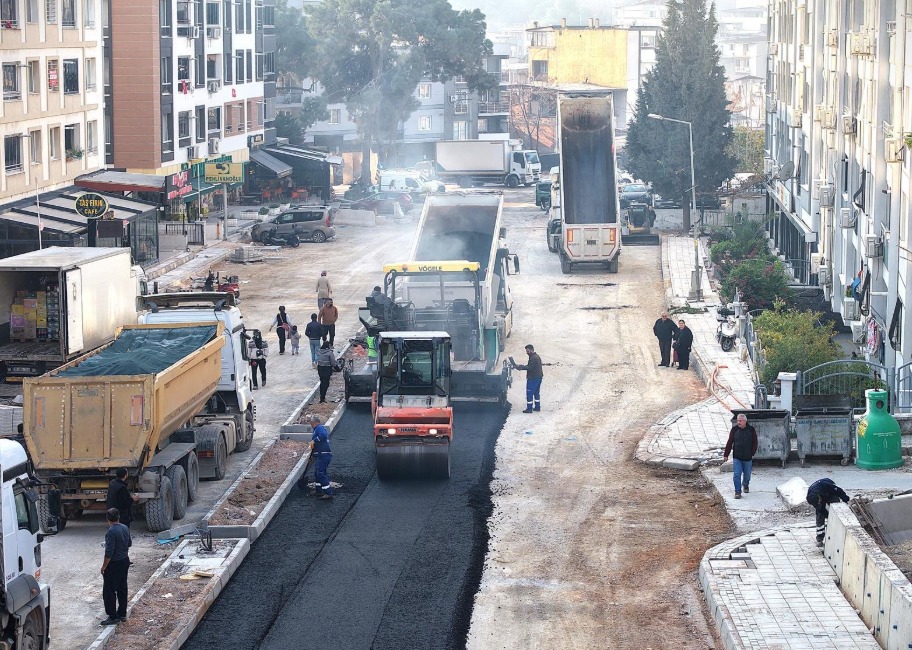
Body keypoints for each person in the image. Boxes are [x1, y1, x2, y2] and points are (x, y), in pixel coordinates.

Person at [100, 508, 132, 626]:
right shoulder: (125, 528)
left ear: (107, 519)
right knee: (122, 588)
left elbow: (109, 552)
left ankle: (113, 616)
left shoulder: (111, 532)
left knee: (109, 591)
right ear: (118, 517)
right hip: (125, 561)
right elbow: (129, 543)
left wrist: (104, 566)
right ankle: (122, 613)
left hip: (114, 564)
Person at [722, 414, 758, 499]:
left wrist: (752, 453)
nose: (738, 422)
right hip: (737, 457)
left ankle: (745, 485)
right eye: (737, 420)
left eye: (740, 421)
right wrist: (726, 454)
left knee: (747, 475)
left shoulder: (751, 430)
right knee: (737, 474)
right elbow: (729, 442)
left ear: (745, 421)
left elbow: (755, 442)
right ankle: (737, 492)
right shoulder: (734, 430)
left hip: (747, 458)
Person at [806, 478, 850, 547]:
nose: (819, 503)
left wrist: (846, 499)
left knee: (836, 509)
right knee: (820, 516)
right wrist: (828, 516)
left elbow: (838, 490)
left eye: (819, 502)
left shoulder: (825, 485)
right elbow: (821, 510)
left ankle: (839, 531)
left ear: (818, 497)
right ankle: (820, 539)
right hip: (821, 495)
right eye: (818, 503)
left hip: (829, 492)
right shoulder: (811, 498)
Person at [512, 344, 543, 413]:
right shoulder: (535, 356)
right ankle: (537, 407)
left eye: (528, 351)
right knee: (536, 392)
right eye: (526, 351)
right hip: (538, 377)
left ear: (531, 350)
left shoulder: (533, 358)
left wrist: (520, 367)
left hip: (533, 378)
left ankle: (529, 409)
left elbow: (530, 367)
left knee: (529, 392)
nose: (527, 352)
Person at [309, 415, 334, 499]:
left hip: (323, 455)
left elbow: (323, 435)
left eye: (311, 423)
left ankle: (328, 493)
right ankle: (318, 490)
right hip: (320, 455)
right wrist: (313, 455)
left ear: (314, 423)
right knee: (317, 473)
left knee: (320, 473)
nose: (311, 425)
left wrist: (314, 440)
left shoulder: (319, 428)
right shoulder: (317, 429)